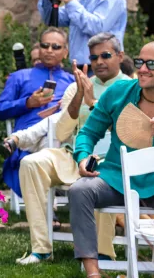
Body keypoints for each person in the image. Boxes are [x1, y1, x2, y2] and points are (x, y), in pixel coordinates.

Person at [8, 33, 130, 265]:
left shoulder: (130, 88)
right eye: (94, 58)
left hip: (110, 159)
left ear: (120, 56)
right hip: (73, 154)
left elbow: (123, 130)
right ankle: (41, 248)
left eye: (105, 55)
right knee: (30, 163)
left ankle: (102, 253)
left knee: (102, 176)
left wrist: (93, 102)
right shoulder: (77, 87)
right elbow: (63, 132)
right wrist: (79, 96)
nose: (99, 62)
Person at [69, 41, 154, 278]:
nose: (142, 69)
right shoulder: (119, 92)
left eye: (151, 64)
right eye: (140, 62)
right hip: (117, 179)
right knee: (80, 191)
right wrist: (82, 157)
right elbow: (88, 132)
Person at [0, 28, 75, 197]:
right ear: (39, 49)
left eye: (56, 47)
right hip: (29, 143)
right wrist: (28, 103)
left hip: (62, 137)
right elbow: (0, 110)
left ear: (65, 52)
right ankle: (48, 211)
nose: (50, 50)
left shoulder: (72, 81)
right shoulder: (20, 77)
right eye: (45, 45)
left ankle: (47, 209)